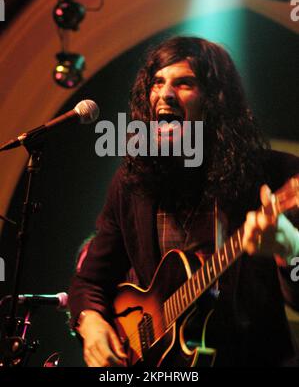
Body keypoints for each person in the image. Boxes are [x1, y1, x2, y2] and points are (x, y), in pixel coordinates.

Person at [68, 36, 299, 367]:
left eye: (184, 83)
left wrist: (290, 250)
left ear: (215, 100)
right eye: (158, 83)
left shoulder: (275, 175)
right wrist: (90, 322)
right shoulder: (132, 184)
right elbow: (89, 280)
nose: (165, 94)